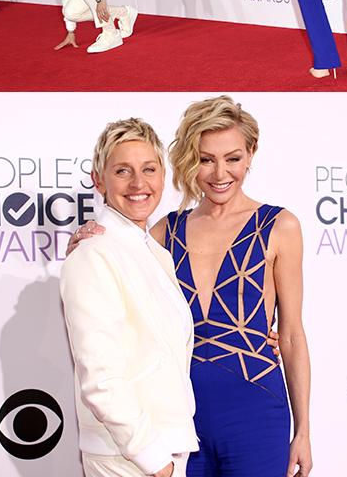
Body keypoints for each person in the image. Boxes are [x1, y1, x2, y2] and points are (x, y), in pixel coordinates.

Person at [70, 98, 312, 477]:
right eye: (205, 159)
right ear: (187, 160)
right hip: (179, 424)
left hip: (256, 411)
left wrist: (304, 431)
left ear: (251, 154)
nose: (220, 173)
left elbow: (293, 335)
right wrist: (85, 239)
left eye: (232, 158)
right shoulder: (164, 232)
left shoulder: (280, 227)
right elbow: (119, 261)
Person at [61, 118, 197, 477]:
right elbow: (100, 375)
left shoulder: (154, 252)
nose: (139, 184)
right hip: (129, 457)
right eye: (123, 171)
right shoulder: (93, 253)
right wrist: (154, 460)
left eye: (149, 169)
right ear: (99, 179)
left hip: (159, 450)